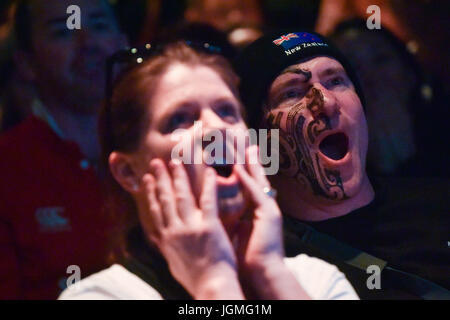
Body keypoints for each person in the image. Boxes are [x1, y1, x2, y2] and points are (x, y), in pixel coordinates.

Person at [59, 41, 358, 300]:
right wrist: (214, 282)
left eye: (227, 111)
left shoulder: (314, 280)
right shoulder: (101, 295)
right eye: (180, 119)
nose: (215, 129)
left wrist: (270, 272)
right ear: (128, 172)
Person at [235, 31, 450, 299]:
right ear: (258, 139)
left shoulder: (437, 202)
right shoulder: (269, 260)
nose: (325, 102)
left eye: (336, 81)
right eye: (291, 93)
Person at [0, 0, 127, 299]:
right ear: (26, 64)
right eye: (63, 32)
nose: (88, 43)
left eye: (99, 26)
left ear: (123, 43)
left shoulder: (161, 150)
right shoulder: (8, 168)